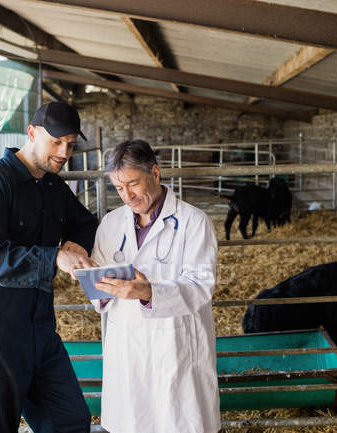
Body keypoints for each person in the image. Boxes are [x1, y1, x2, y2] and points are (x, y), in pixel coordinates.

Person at [0, 102, 97, 433]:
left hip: (38, 326)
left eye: (70, 145)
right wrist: (54, 256)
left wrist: (78, 244)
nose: (64, 152)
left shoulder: (53, 187)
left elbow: (86, 223)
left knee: (70, 420)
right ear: (31, 133)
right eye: (56, 142)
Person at [91, 139, 220, 433]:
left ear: (156, 173)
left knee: (177, 421)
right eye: (119, 188)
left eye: (133, 184)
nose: (127, 196)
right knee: (132, 422)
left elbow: (201, 286)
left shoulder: (194, 222)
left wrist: (149, 293)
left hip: (176, 348)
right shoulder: (110, 224)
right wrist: (90, 279)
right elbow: (98, 288)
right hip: (127, 348)